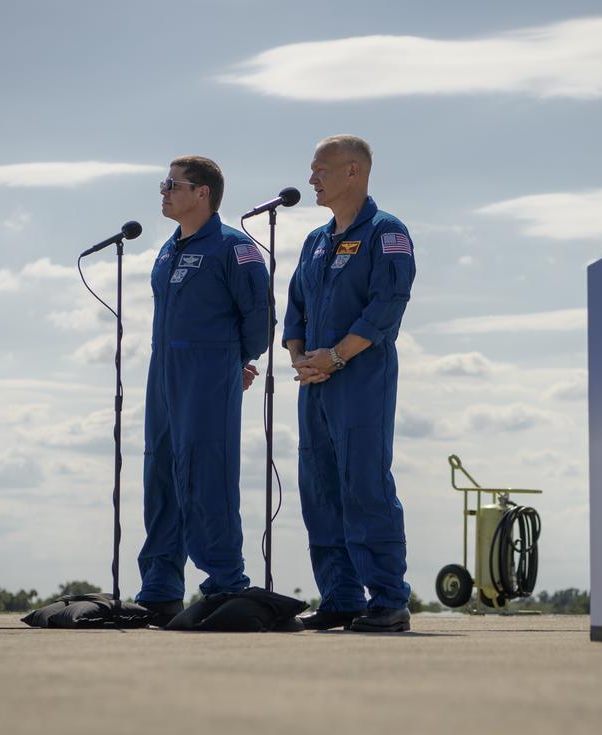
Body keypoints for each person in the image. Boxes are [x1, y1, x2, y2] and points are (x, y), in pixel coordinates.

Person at [283, 135, 416, 633]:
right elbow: (295, 306)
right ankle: (339, 596)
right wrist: (300, 358)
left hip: (361, 378)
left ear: (353, 171)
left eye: (320, 170)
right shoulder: (315, 242)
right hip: (314, 382)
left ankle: (387, 599)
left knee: (364, 484)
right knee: (319, 486)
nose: (311, 179)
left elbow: (387, 304)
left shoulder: (387, 233)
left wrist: (337, 356)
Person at [135, 155, 270, 626]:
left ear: (202, 193)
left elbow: (258, 318)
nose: (164, 192)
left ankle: (225, 581)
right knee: (161, 472)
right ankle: (160, 587)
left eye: (173, 184)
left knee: (206, 471)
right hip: (164, 371)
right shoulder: (167, 249)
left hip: (209, 370)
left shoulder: (234, 248)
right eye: (163, 184)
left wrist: (235, 361)